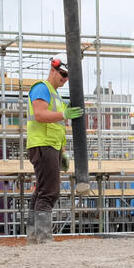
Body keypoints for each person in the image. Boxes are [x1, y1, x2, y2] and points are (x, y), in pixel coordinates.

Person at [25, 55, 83, 244]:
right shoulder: (42, 88)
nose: (65, 79)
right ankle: (43, 237)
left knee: (41, 190)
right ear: (53, 70)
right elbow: (40, 115)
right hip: (43, 144)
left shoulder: (54, 93)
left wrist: (62, 151)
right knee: (49, 192)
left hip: (50, 145)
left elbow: (58, 125)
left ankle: (34, 236)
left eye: (67, 76)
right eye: (63, 74)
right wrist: (63, 113)